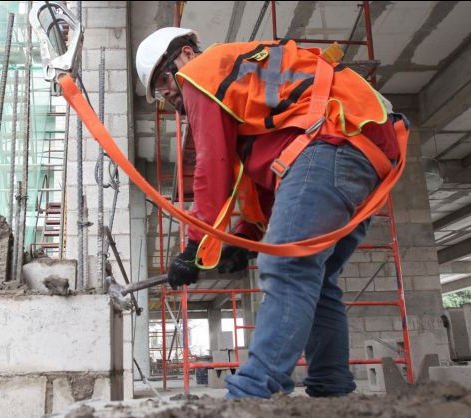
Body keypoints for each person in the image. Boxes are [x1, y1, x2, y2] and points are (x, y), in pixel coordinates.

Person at [135, 28, 406, 399]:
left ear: (185, 54)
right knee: (318, 277)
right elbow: (263, 180)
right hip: (358, 150)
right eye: (159, 92)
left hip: (329, 142)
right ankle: (331, 388)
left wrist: (195, 249)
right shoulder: (244, 89)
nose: (167, 92)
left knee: (287, 267)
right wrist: (246, 238)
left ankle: (251, 394)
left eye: (165, 79)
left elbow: (211, 170)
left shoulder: (200, 73)